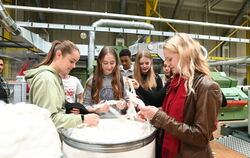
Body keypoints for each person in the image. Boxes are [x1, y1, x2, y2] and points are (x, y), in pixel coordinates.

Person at [135, 33, 222, 158]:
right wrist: (151, 116)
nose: (167, 63)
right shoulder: (175, 82)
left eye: (170, 59)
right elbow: (170, 117)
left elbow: (201, 137)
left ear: (184, 56)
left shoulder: (206, 87)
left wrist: (159, 117)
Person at [25, 40, 99, 129]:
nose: (74, 66)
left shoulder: (55, 77)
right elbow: (48, 120)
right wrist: (82, 119)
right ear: (59, 54)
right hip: (46, 138)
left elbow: (56, 110)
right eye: (72, 61)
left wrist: (70, 107)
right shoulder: (46, 79)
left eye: (75, 62)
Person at [83, 46, 129, 118]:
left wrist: (124, 105)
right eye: (105, 63)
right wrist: (96, 109)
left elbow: (128, 102)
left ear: (116, 62)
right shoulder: (92, 81)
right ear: (100, 61)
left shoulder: (122, 80)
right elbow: (85, 105)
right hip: (97, 122)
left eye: (112, 63)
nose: (109, 66)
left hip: (118, 122)